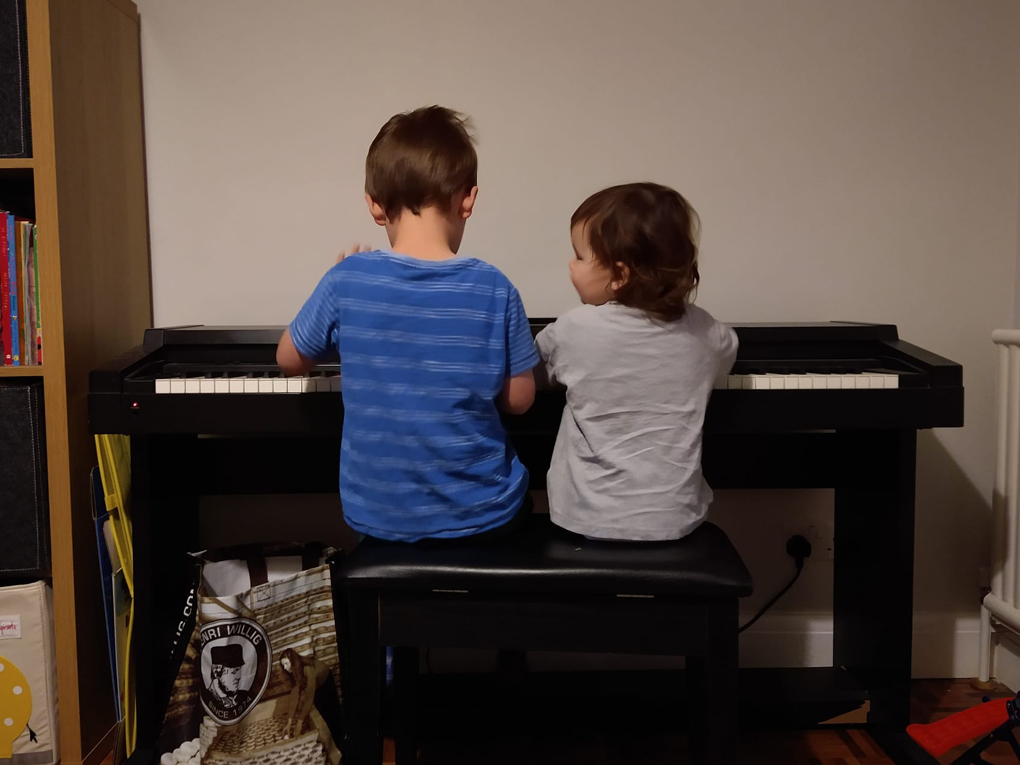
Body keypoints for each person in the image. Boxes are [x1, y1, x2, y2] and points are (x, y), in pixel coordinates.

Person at [277, 106, 539, 542]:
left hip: (379, 518)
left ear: (375, 207)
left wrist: (341, 299)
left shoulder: (347, 279)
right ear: (468, 199)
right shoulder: (496, 288)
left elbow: (289, 359)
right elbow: (519, 400)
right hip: (484, 517)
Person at [535, 182, 737, 541]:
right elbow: (727, 353)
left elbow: (534, 369)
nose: (571, 264)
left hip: (586, 520)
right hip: (676, 521)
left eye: (579, 256)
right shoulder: (705, 330)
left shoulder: (575, 328)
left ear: (620, 275)